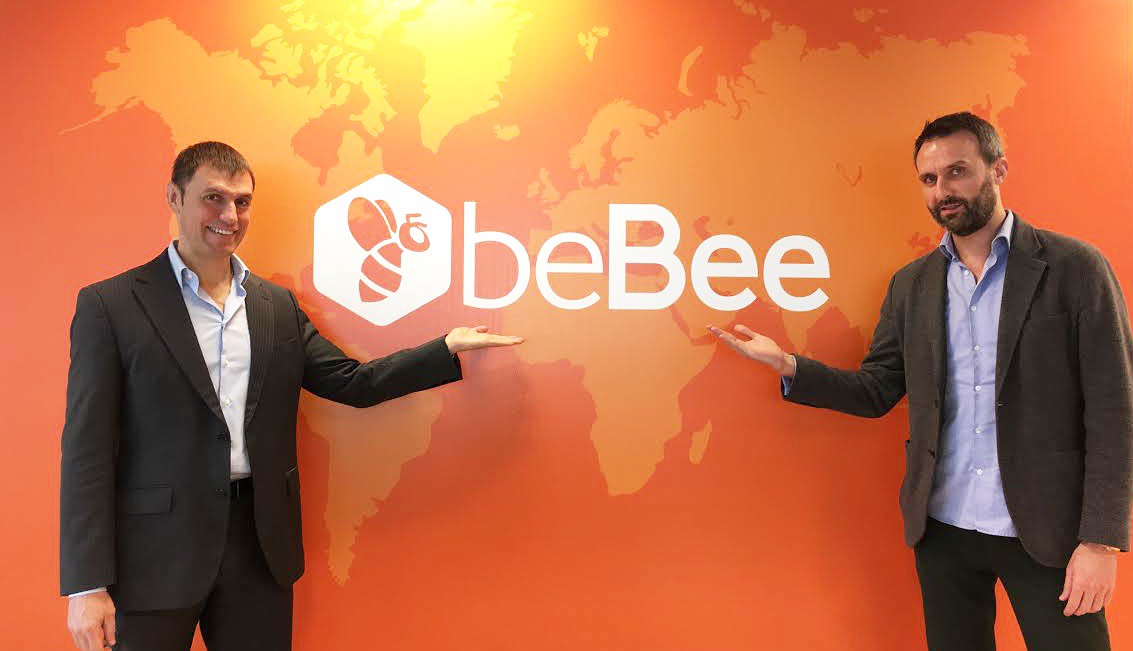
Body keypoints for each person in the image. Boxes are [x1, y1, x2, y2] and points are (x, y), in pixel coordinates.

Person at [60, 141, 523, 651]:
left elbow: (351, 382)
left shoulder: (275, 306)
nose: (230, 216)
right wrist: (87, 585)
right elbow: (87, 452)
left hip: (259, 548)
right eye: (213, 198)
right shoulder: (111, 305)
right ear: (175, 197)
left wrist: (444, 348)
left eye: (242, 202)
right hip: (154, 555)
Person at [709, 112, 1131, 650]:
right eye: (929, 179)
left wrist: (1101, 541)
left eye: (957, 172)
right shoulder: (912, 285)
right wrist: (789, 364)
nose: (942, 191)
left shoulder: (1075, 268)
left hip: (1050, 531)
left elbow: (1116, 409)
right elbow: (877, 389)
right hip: (944, 530)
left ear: (998, 170)